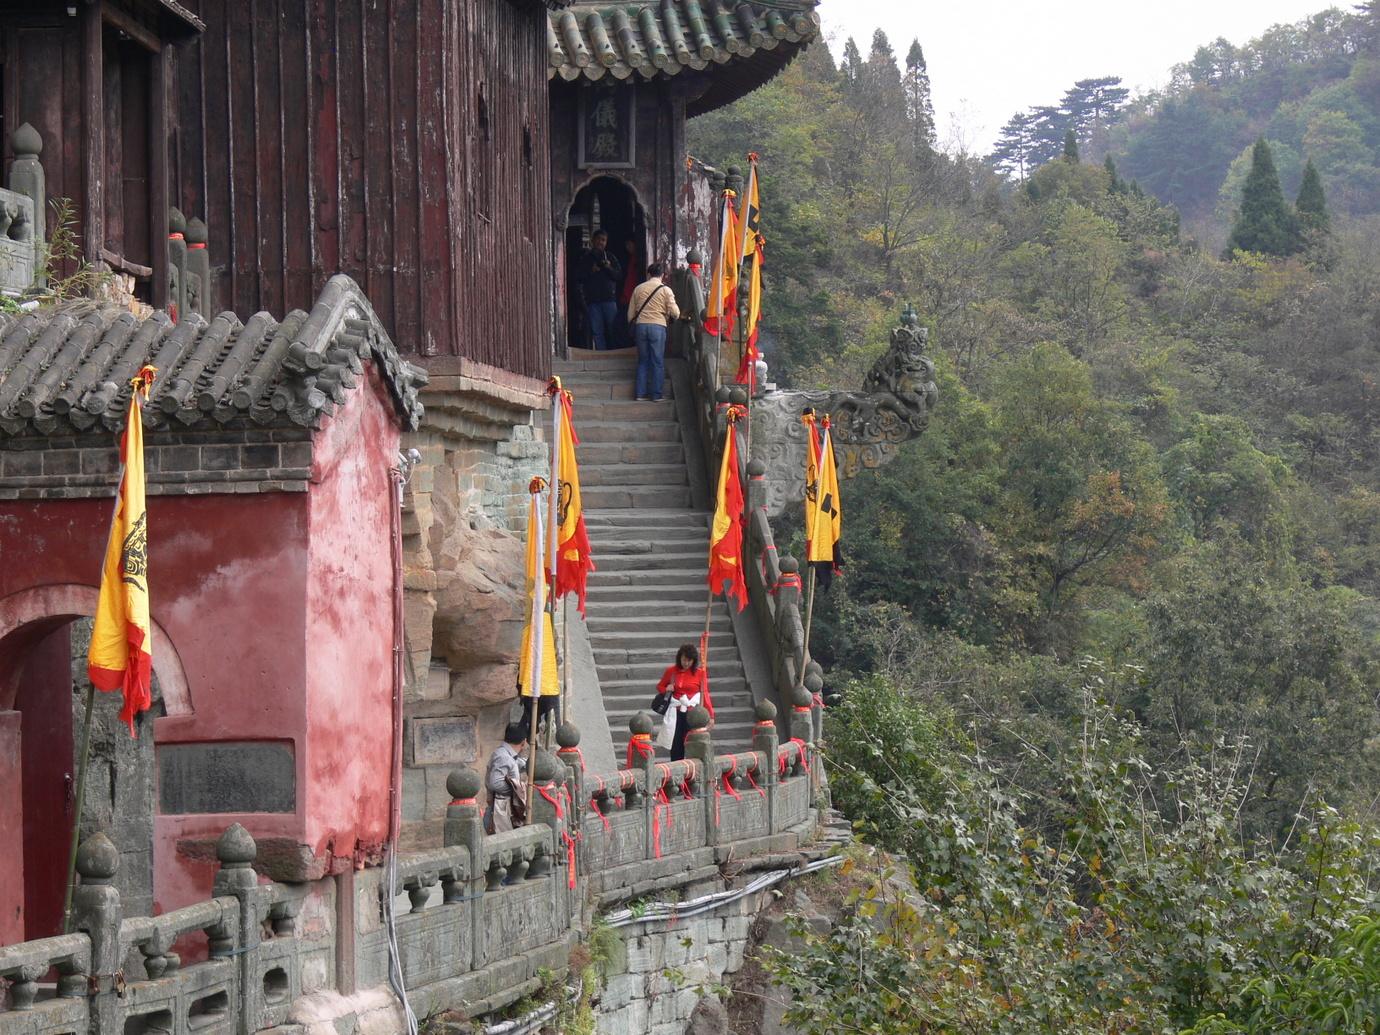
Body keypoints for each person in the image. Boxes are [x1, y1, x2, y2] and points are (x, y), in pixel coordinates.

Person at [627, 262, 680, 402]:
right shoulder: (665, 290)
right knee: (657, 361)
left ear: (648, 274)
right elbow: (675, 312)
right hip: (658, 327)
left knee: (643, 360)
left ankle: (640, 394)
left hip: (641, 327)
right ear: (662, 275)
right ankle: (656, 395)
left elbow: (630, 314)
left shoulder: (638, 289)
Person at [655, 642, 705, 762]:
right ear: (679, 658)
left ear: (693, 661)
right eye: (684, 660)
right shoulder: (671, 671)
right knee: (676, 743)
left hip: (692, 713)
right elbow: (660, 686)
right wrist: (667, 689)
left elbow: (705, 694)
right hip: (675, 712)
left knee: (692, 741)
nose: (686, 663)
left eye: (689, 660)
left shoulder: (700, 673)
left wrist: (711, 715)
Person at [575, 230, 621, 350]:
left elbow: (618, 276)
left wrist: (608, 267)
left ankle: (614, 352)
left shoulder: (610, 257)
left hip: (609, 299)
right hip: (593, 300)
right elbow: (578, 277)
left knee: (613, 328)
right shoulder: (586, 258)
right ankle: (601, 354)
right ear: (592, 240)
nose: (601, 242)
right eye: (599, 239)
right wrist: (591, 271)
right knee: (597, 331)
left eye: (603, 240)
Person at [484, 723, 529, 834]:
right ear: (523, 742)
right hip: (502, 809)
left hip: (505, 808)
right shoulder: (503, 756)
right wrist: (518, 790)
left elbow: (517, 763)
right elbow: (496, 783)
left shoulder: (506, 754)